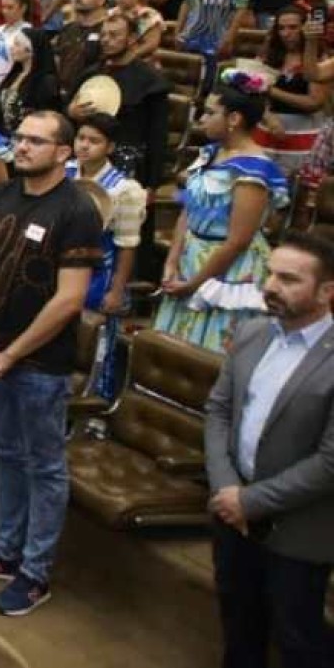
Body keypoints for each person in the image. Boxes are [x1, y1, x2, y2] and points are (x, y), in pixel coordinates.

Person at [0, 110, 102, 617]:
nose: (23, 147)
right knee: (6, 452)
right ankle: (3, 550)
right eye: (19, 138)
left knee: (45, 467)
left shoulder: (77, 210)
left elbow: (69, 299)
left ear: (64, 152)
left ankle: (35, 574)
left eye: (37, 141)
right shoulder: (2, 194)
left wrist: (11, 353)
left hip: (39, 363)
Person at [203, 232, 334, 668]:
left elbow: (330, 462)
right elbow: (219, 411)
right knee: (238, 627)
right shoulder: (253, 332)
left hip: (298, 531)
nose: (271, 286)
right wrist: (227, 490)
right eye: (270, 274)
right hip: (232, 517)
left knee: (298, 638)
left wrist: (251, 501)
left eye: (289, 279)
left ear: (327, 292)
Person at [156, 79, 291, 353]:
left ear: (234, 118)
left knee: (208, 353)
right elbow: (187, 208)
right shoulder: (209, 153)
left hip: (228, 269)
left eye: (209, 112)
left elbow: (237, 241)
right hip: (189, 256)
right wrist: (171, 262)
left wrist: (195, 284)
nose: (201, 119)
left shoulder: (252, 171)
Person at [67, 115, 145, 401]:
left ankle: (92, 404)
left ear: (110, 147)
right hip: (61, 263)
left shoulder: (125, 189)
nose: (84, 146)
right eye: (81, 138)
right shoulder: (64, 171)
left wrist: (115, 290)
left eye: (94, 141)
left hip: (99, 271)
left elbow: (127, 244)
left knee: (93, 343)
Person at [70, 13, 172, 190]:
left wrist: (152, 184)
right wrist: (71, 111)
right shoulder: (91, 73)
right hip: (87, 161)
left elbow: (157, 136)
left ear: (132, 38)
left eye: (114, 35)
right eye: (103, 35)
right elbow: (68, 108)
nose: (106, 40)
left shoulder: (151, 81)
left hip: (129, 164)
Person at [258, 7, 330, 176]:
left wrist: (271, 91)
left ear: (305, 28)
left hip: (303, 133)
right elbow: (253, 91)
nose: (286, 33)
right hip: (268, 129)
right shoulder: (268, 55)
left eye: (292, 27)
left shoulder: (318, 60)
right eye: (281, 28)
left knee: (293, 186)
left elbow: (314, 102)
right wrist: (267, 116)